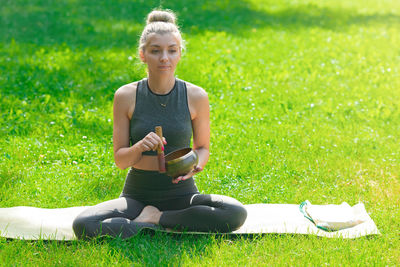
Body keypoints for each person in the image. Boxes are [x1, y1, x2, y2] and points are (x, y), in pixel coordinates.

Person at [72, 9, 247, 239]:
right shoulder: (126, 96)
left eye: (172, 51)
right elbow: (120, 159)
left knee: (235, 212)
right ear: (143, 54)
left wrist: (196, 166)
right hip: (137, 197)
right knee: (83, 224)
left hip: (182, 195)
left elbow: (202, 147)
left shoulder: (196, 96)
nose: (164, 58)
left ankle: (155, 220)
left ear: (180, 54)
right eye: (155, 51)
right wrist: (140, 146)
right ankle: (158, 221)